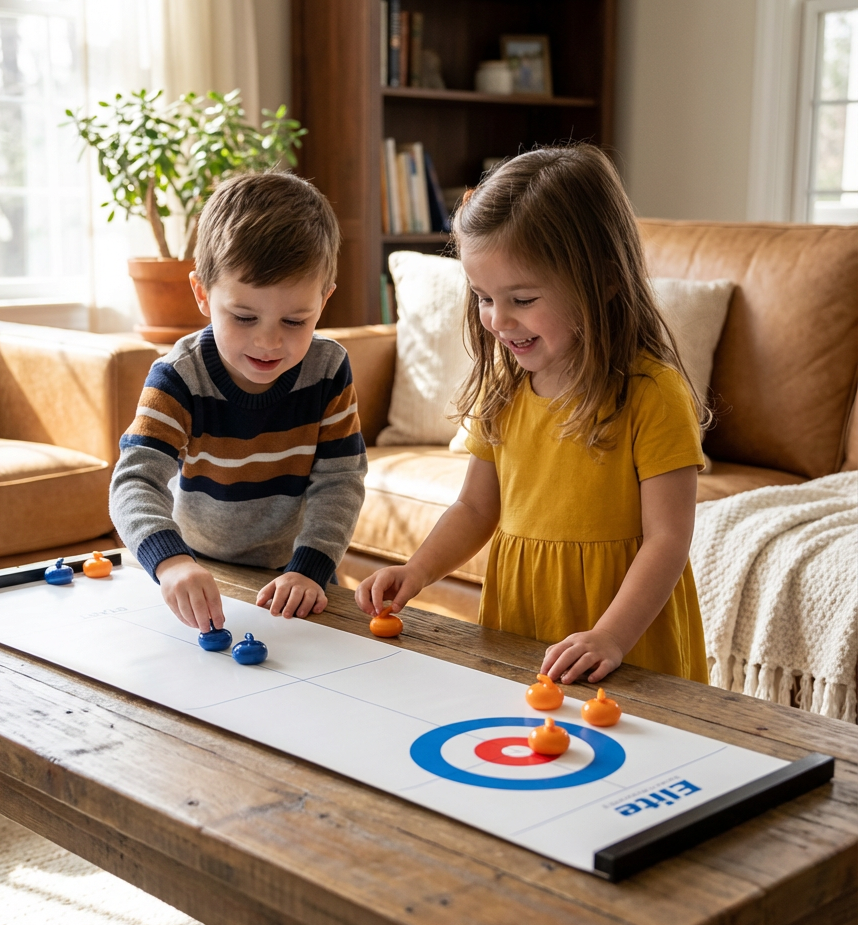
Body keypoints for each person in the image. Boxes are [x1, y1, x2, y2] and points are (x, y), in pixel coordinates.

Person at [356, 145, 709, 684]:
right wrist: (417, 569)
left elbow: (668, 538)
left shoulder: (652, 393)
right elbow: (475, 508)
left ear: (604, 280)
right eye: (483, 297)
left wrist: (611, 635)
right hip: (520, 625)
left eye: (521, 299)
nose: (498, 320)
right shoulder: (505, 388)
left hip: (626, 638)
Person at [111, 172, 366, 632]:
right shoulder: (178, 376)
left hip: (296, 577)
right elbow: (134, 481)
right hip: (198, 572)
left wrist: (310, 568)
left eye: (295, 320)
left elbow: (340, 482)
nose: (268, 342)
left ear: (324, 300)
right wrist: (171, 564)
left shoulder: (328, 370)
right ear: (203, 294)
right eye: (244, 316)